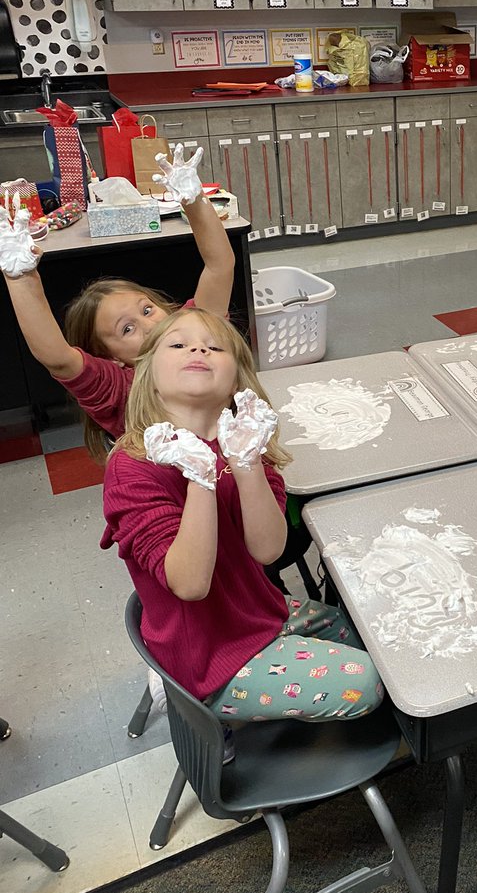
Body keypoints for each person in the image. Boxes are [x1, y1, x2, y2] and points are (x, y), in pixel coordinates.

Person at [102, 307, 383, 726]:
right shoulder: (133, 466)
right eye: (178, 344)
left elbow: (268, 549)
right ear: (148, 376)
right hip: (209, 659)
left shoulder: (244, 438)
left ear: (235, 380)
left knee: (366, 629)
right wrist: (199, 476)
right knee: (369, 681)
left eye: (214, 347)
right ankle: (212, 719)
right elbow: (190, 584)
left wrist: (247, 461)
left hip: (258, 614)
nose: (198, 348)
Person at [0, 144, 234, 461]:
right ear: (112, 360)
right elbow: (56, 357)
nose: (149, 324)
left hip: (236, 476)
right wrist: (20, 278)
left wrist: (194, 201)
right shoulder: (119, 387)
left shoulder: (193, 329)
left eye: (147, 309)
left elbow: (220, 266)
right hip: (170, 499)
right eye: (127, 329)